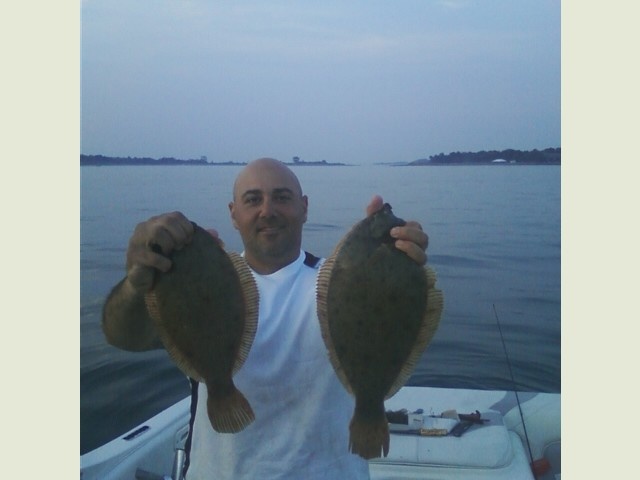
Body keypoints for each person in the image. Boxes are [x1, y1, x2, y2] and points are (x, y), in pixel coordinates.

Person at [102, 158, 429, 479]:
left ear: (304, 207)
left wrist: (404, 266)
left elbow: (400, 319)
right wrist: (136, 284)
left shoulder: (338, 284)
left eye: (282, 197)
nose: (267, 211)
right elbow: (123, 336)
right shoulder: (197, 286)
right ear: (233, 214)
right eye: (252, 199)